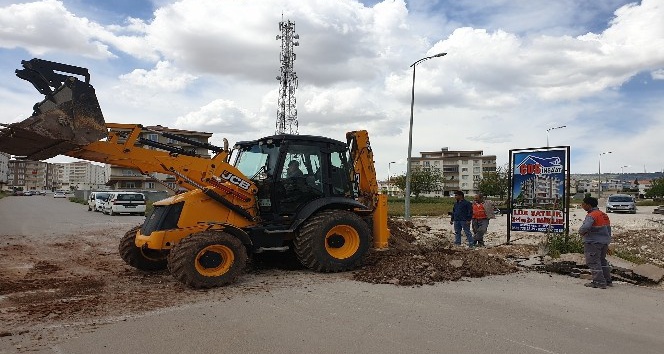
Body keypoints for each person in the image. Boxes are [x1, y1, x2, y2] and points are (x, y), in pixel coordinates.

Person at [579, 196, 612, 289]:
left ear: (588, 205)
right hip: (604, 242)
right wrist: (607, 240)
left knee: (593, 262)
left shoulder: (592, 215)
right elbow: (609, 229)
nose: (582, 205)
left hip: (593, 242)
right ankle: (607, 280)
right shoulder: (603, 214)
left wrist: (581, 232)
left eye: (583, 204)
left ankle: (599, 282)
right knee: (602, 262)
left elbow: (585, 227)